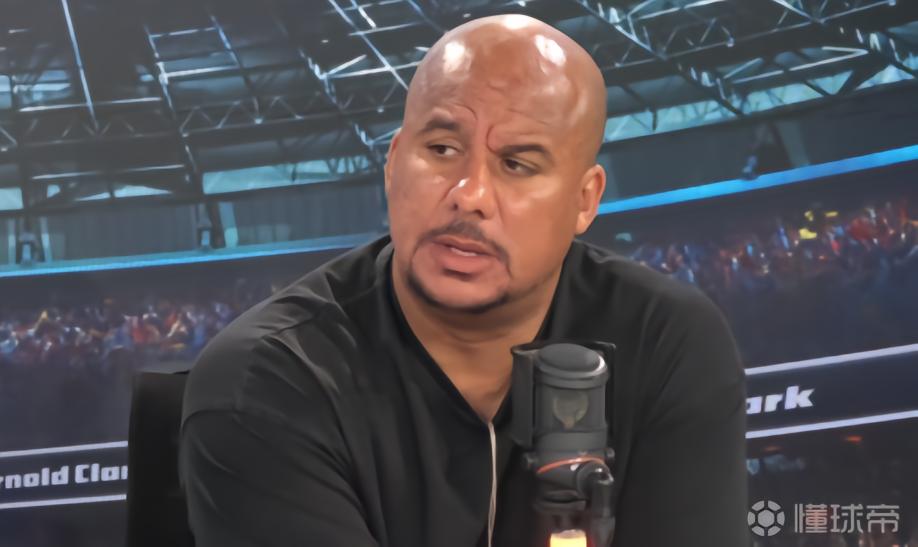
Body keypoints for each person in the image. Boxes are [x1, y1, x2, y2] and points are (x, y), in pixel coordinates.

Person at [179, 13, 748, 547]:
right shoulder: (268, 380)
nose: (469, 195)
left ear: (584, 200)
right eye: (442, 149)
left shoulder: (665, 338)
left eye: (517, 164)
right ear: (394, 164)